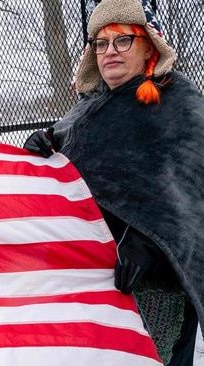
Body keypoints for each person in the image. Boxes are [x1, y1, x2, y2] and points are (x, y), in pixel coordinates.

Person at [23, 0, 204, 364]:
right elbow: (71, 153)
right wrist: (44, 144)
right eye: (101, 43)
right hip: (95, 278)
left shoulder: (179, 104)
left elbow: (192, 186)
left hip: (157, 283)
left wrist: (147, 244)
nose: (110, 51)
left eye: (123, 40)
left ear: (148, 46)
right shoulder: (90, 107)